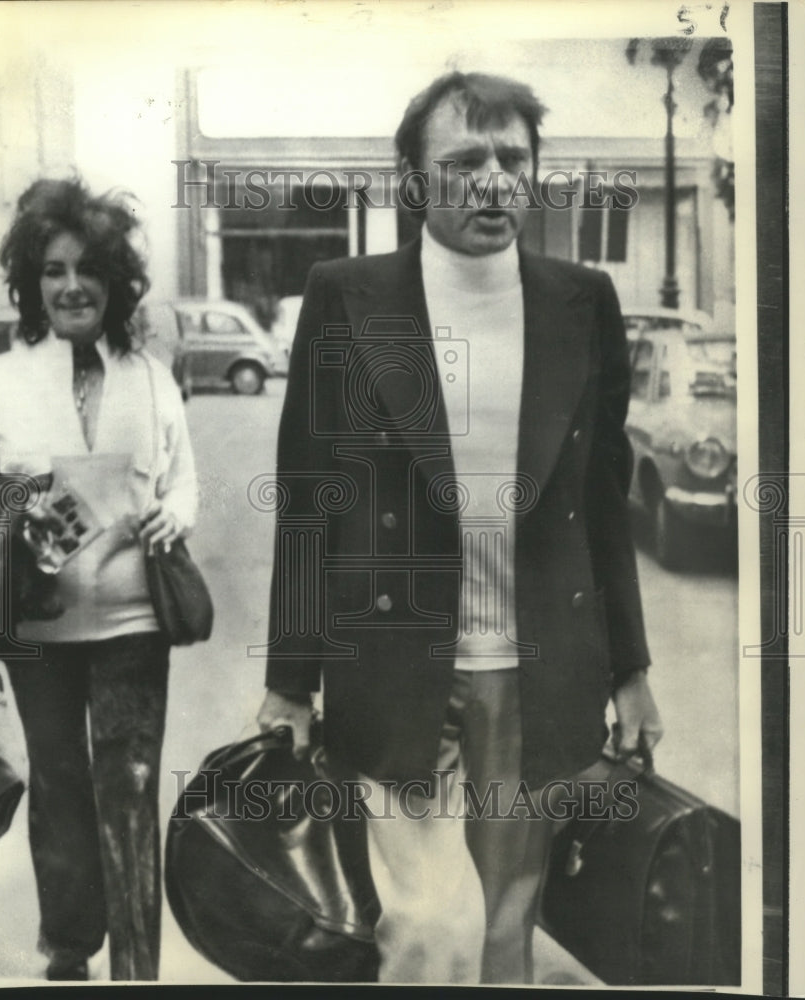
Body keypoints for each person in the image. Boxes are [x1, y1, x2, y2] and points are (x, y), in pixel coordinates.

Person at [257, 71, 663, 984]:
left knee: (504, 933)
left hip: (536, 673)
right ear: (414, 179)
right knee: (430, 926)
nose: (491, 181)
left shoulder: (580, 300)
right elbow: (307, 496)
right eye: (463, 160)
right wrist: (290, 680)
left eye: (511, 159)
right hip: (394, 662)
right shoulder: (349, 294)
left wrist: (632, 670)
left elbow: (603, 504)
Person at [0, 177, 197, 981]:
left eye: (89, 270)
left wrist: (173, 517)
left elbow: (184, 478)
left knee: (131, 786)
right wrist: (8, 509)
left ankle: (137, 967)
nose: (73, 285)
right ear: (31, 282)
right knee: (58, 787)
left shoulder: (150, 376)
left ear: (115, 283)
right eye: (54, 270)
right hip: (36, 629)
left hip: (132, 627)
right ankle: (70, 950)